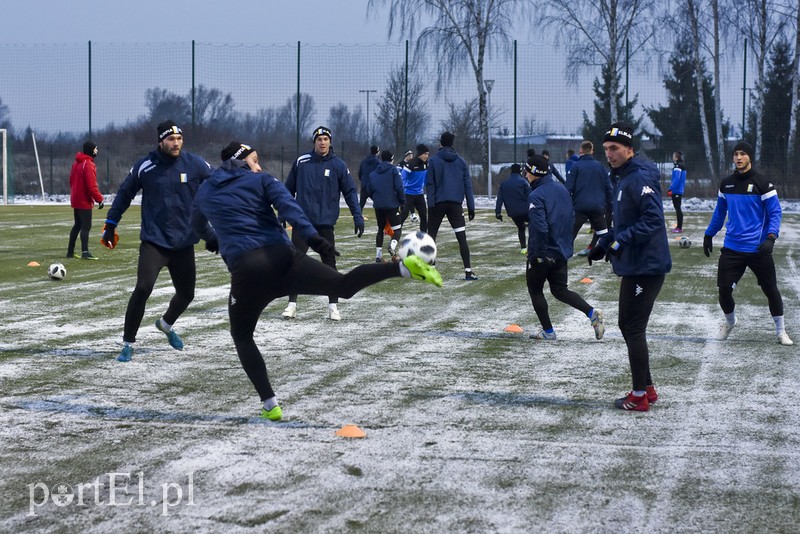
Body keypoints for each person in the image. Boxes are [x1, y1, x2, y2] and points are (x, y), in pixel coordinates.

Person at [191, 141, 442, 421]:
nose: (259, 165)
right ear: (240, 162)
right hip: (283, 260)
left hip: (248, 273)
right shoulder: (262, 180)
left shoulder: (206, 191)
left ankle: (270, 404)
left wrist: (212, 239)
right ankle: (403, 269)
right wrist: (313, 238)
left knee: (241, 336)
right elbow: (289, 207)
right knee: (343, 286)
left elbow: (196, 223)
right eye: (254, 160)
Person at [101, 120, 213, 363]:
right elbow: (124, 194)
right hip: (154, 242)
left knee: (187, 294)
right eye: (171, 139)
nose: (176, 143)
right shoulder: (146, 166)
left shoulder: (195, 164)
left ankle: (165, 324)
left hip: (183, 244)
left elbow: (217, 182)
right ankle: (128, 344)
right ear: (161, 141)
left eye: (179, 139)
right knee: (143, 287)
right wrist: (110, 224)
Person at [588, 123, 671, 412]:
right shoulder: (621, 179)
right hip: (635, 265)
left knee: (633, 327)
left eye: (615, 149)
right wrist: (604, 243)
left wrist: (619, 242)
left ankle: (639, 397)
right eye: (606, 149)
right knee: (627, 325)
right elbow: (623, 223)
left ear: (630, 150)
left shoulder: (638, 179)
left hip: (647, 266)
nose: (609, 154)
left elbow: (652, 221)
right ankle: (646, 387)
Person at [703, 141, 793, 346]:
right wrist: (709, 234)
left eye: (742, 154)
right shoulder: (726, 184)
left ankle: (781, 331)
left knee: (771, 289)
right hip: (732, 248)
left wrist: (771, 237)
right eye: (735, 154)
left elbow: (775, 213)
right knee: (724, 290)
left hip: (758, 248)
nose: (738, 157)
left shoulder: (763, 184)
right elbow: (719, 213)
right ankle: (730, 322)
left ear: (750, 157)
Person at [282, 126, 365, 321]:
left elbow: (350, 192)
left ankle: (333, 307)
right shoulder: (302, 162)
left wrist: (357, 216)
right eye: (319, 139)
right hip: (302, 223)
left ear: (330, 142)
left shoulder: (338, 165)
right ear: (314, 142)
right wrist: (283, 212)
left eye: (325, 139)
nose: (322, 142)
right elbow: (287, 190)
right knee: (294, 264)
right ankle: (291, 305)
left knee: (329, 266)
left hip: (325, 225)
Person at [524, 155, 605, 341]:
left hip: (544, 252)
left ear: (535, 173)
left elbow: (540, 227)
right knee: (560, 290)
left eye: (527, 171)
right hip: (561, 250)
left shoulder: (536, 195)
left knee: (535, 290)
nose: (525, 174)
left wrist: (538, 254)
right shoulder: (561, 190)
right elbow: (570, 219)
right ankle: (592, 313)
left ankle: (548, 332)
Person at [426, 131, 478, 280]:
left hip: (437, 204)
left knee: (431, 236)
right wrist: (471, 206)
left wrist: (431, 204)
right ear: (452, 143)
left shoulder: (434, 161)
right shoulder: (461, 162)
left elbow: (430, 184)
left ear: (441, 143)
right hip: (455, 205)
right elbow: (468, 185)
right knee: (462, 238)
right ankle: (468, 271)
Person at [565, 140, 613, 256]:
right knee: (604, 233)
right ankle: (613, 254)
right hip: (597, 206)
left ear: (580, 151)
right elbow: (609, 187)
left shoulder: (576, 167)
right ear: (592, 151)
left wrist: (567, 204)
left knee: (570, 234)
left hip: (580, 207)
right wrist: (610, 205)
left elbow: (568, 188)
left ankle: (565, 253)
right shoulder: (600, 167)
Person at [67, 141, 104, 260]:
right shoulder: (88, 164)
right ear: (91, 150)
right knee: (86, 226)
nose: (97, 151)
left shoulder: (76, 163)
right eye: (95, 149)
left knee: (77, 225)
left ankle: (70, 252)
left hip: (76, 198)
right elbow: (91, 185)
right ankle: (85, 252)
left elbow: (71, 180)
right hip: (84, 200)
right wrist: (99, 199)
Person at [367, 149, 405, 262]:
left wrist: (377, 198)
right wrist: (402, 201)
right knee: (397, 230)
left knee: (380, 229)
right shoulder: (394, 170)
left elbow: (369, 189)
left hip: (378, 205)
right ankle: (392, 247)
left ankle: (378, 256)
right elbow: (399, 187)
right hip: (392, 204)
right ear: (392, 160)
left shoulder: (373, 173)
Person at [494, 163, 531, 254]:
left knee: (521, 228)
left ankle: (523, 248)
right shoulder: (523, 182)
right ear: (520, 171)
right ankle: (533, 246)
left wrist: (498, 212)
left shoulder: (504, 184)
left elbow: (500, 199)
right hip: (526, 210)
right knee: (533, 226)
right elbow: (531, 195)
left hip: (513, 212)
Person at [399, 144, 429, 232]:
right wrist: (401, 190)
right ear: (420, 154)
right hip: (408, 194)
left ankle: (423, 237)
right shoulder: (410, 164)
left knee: (424, 216)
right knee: (403, 216)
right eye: (425, 154)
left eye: (428, 154)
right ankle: (395, 235)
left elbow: (427, 178)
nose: (427, 156)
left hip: (419, 194)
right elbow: (403, 178)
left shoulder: (426, 164)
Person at [668, 151, 686, 233]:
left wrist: (671, 188)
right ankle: (679, 227)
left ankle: (679, 227)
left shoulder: (678, 166)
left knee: (678, 208)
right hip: (678, 190)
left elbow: (676, 179)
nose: (672, 157)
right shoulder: (680, 165)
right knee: (677, 208)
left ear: (676, 157)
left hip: (677, 190)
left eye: (673, 155)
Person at [358, 145, 380, 212]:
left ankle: (357, 217)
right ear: (377, 151)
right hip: (373, 186)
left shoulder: (364, 161)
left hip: (364, 184)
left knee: (361, 204)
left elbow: (360, 172)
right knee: (378, 202)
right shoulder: (378, 162)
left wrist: (362, 180)